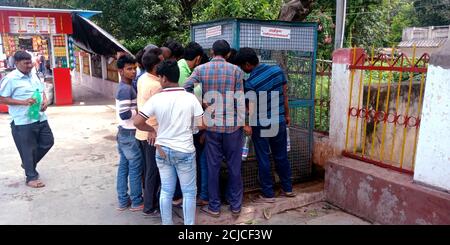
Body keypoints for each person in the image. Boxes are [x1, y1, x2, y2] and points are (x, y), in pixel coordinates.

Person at [134, 60, 204, 225]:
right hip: (185, 151)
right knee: (188, 192)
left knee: (166, 190)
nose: (159, 80)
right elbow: (202, 124)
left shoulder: (156, 99)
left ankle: (167, 223)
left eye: (159, 77)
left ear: (164, 78)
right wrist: (190, 127)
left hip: (163, 150)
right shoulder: (191, 98)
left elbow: (137, 122)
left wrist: (151, 130)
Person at [184, 40, 245, 218]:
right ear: (227, 54)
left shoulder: (201, 69)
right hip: (233, 127)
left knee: (213, 167)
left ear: (212, 52)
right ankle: (235, 206)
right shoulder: (236, 71)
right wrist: (243, 122)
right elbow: (240, 100)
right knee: (234, 167)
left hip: (212, 126)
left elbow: (186, 86)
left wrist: (199, 104)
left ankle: (214, 207)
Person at [234, 47, 296, 202]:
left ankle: (268, 194)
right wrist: (287, 115)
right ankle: (287, 189)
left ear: (247, 64)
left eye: (242, 66)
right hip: (279, 121)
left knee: (264, 158)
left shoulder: (251, 83)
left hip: (261, 125)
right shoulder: (277, 71)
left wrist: (247, 122)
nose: (243, 70)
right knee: (281, 156)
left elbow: (250, 108)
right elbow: (285, 95)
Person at [0, 51, 54, 188]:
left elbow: (41, 90)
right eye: (26, 63)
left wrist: (45, 101)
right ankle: (31, 177)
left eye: (30, 62)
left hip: (39, 116)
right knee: (28, 149)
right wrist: (23, 102)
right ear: (17, 63)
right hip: (23, 121)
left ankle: (28, 163)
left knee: (48, 141)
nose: (30, 65)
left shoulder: (33, 74)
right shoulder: (10, 79)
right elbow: (2, 98)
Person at [177, 42, 209, 206]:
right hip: (188, 128)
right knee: (194, 161)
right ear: (198, 58)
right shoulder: (184, 73)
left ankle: (191, 194)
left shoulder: (187, 70)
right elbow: (189, 100)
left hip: (192, 126)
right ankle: (190, 195)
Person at [135, 47, 164, 216]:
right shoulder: (156, 85)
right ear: (155, 66)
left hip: (142, 133)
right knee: (154, 171)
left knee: (147, 170)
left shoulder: (143, 78)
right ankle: (150, 206)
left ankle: (149, 202)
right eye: (161, 61)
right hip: (152, 132)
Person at [114, 55, 144, 211]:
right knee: (135, 167)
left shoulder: (128, 85)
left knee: (124, 167)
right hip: (129, 134)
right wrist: (139, 111)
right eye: (129, 69)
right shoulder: (125, 89)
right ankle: (137, 201)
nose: (133, 71)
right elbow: (124, 114)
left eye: (134, 68)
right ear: (120, 71)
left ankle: (123, 200)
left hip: (123, 132)